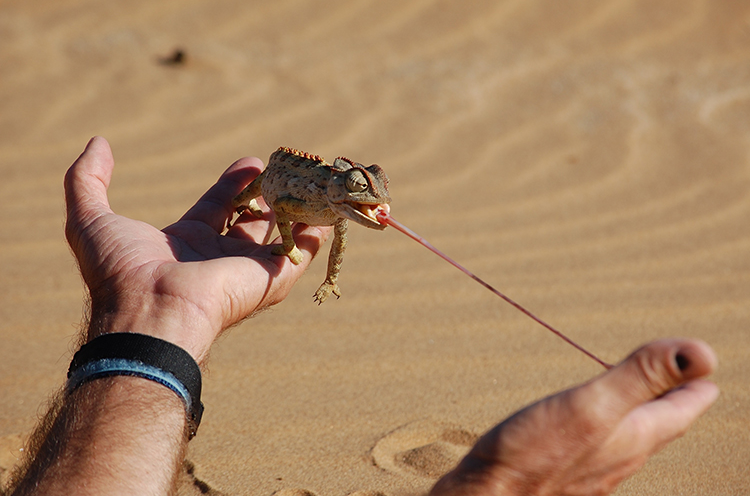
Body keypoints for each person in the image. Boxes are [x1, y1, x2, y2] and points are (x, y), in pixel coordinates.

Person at [6, 137, 719, 496]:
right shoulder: (307, 201)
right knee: (260, 189)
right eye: (358, 192)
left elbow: (339, 233)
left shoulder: (344, 210)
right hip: (280, 193)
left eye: (368, 193)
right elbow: (280, 205)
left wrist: (151, 312)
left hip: (197, 282)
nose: (368, 204)